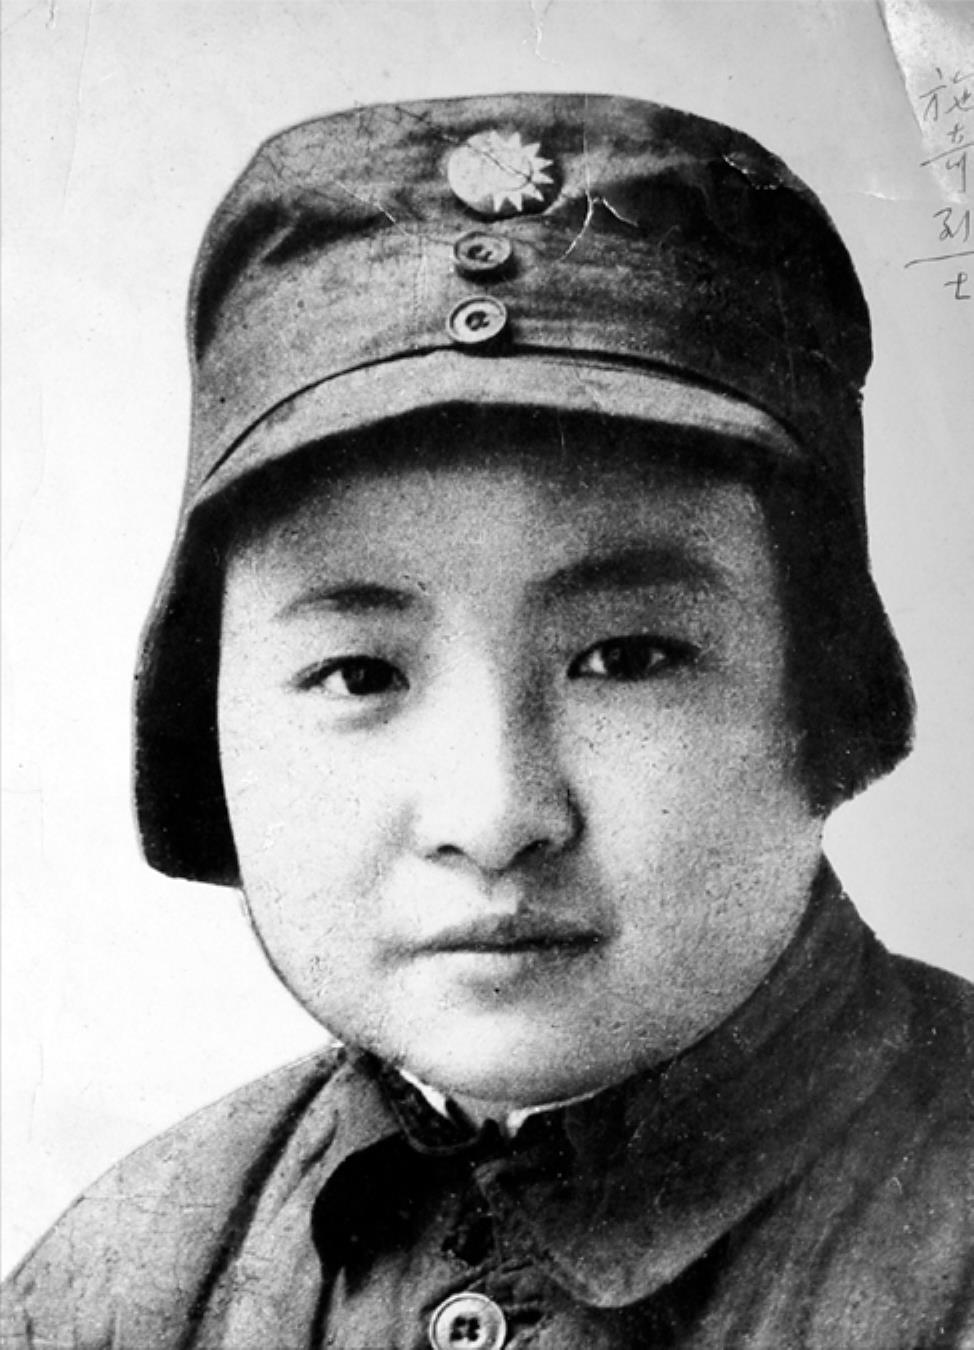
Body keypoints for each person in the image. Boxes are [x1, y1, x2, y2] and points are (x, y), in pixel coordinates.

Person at [2, 92, 971, 1350]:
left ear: (822, 696)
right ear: (207, 720)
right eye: (358, 674)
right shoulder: (116, 1283)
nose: (495, 816)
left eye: (626, 658)